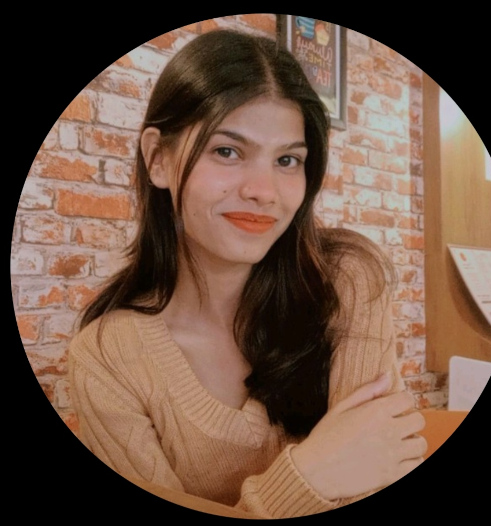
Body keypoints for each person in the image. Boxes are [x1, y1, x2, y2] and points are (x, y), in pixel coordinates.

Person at [68, 28, 427, 518]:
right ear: (158, 159)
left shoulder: (346, 280)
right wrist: (312, 475)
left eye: (287, 160)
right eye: (227, 151)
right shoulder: (108, 358)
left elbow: (379, 471)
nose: (264, 191)